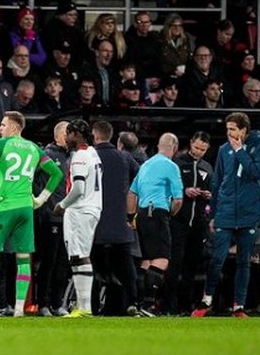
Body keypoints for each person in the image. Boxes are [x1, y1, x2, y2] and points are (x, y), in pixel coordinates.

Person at [0, 111, 63, 317]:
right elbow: (56, 173)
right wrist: (41, 199)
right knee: (23, 259)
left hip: (4, 206)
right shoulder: (34, 148)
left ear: (14, 127)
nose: (0, 129)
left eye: (3, 125)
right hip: (26, 209)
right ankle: (19, 309)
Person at [192, 112, 260, 318]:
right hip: (226, 212)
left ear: (244, 130)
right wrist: (213, 214)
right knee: (216, 258)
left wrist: (239, 151)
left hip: (249, 212)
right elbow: (217, 182)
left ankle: (238, 306)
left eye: (233, 129)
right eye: (227, 129)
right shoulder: (223, 149)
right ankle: (206, 300)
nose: (228, 133)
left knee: (244, 261)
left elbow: (256, 173)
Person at [127, 132, 183, 315]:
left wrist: (131, 217)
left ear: (159, 146)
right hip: (157, 212)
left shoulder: (145, 165)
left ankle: (136, 303)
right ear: (174, 148)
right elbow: (178, 200)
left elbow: (131, 194)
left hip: (142, 215)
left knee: (147, 261)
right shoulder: (171, 166)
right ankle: (148, 305)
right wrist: (169, 213)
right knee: (162, 259)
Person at [91, 121, 142, 316]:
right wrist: (131, 207)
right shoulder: (124, 157)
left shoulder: (90, 156)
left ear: (95, 136)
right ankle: (132, 302)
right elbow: (141, 179)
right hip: (121, 222)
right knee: (125, 266)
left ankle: (91, 306)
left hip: (96, 221)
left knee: (92, 266)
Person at [53, 120, 103, 318]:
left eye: (68, 134)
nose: (66, 138)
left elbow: (79, 188)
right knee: (81, 255)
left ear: (76, 134)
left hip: (80, 209)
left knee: (79, 256)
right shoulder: (92, 152)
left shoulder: (80, 156)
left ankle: (84, 307)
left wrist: (62, 205)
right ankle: (83, 307)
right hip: (92, 207)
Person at [168, 131, 212, 314]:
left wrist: (207, 195)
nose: (199, 152)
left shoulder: (207, 167)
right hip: (178, 221)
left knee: (191, 265)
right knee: (174, 264)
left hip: (198, 223)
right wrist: (184, 191)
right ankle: (169, 306)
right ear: (191, 142)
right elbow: (168, 188)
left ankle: (186, 307)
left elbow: (211, 190)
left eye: (203, 149)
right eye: (196, 147)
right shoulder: (177, 163)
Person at [34, 121, 70, 317]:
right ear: (57, 136)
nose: (69, 136)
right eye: (66, 133)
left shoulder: (73, 156)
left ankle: (58, 303)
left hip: (68, 218)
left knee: (63, 262)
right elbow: (32, 180)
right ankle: (43, 304)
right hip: (50, 217)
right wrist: (43, 202)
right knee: (49, 261)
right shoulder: (46, 154)